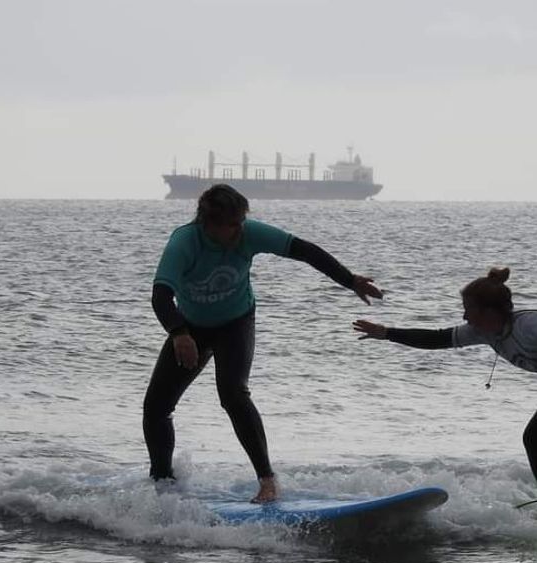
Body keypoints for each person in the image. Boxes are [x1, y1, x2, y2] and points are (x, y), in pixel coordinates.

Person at [353, 267, 537, 536]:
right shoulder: (485, 332)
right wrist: (387, 333)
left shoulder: (533, 326)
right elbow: (438, 339)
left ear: (489, 312)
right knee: (536, 437)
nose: (464, 317)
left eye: (468, 310)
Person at [147, 184, 382, 503]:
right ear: (208, 222)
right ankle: (163, 485)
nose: (238, 229)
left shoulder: (248, 233)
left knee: (233, 394)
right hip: (192, 328)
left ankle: (267, 481)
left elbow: (304, 250)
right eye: (231, 224)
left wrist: (349, 279)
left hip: (235, 323)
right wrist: (179, 334)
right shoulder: (184, 243)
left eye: (241, 221)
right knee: (156, 407)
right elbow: (161, 296)